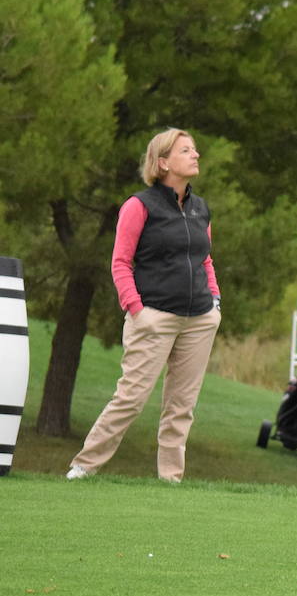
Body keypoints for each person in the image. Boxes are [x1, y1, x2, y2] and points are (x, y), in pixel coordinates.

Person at [66, 129, 222, 484]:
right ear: (163, 162)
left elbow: (206, 259)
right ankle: (84, 466)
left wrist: (214, 301)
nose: (196, 155)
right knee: (131, 398)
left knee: (181, 407)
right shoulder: (139, 206)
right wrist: (136, 309)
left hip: (199, 318)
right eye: (186, 150)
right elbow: (121, 262)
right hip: (152, 317)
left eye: (195, 149)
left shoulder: (200, 208)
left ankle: (170, 477)